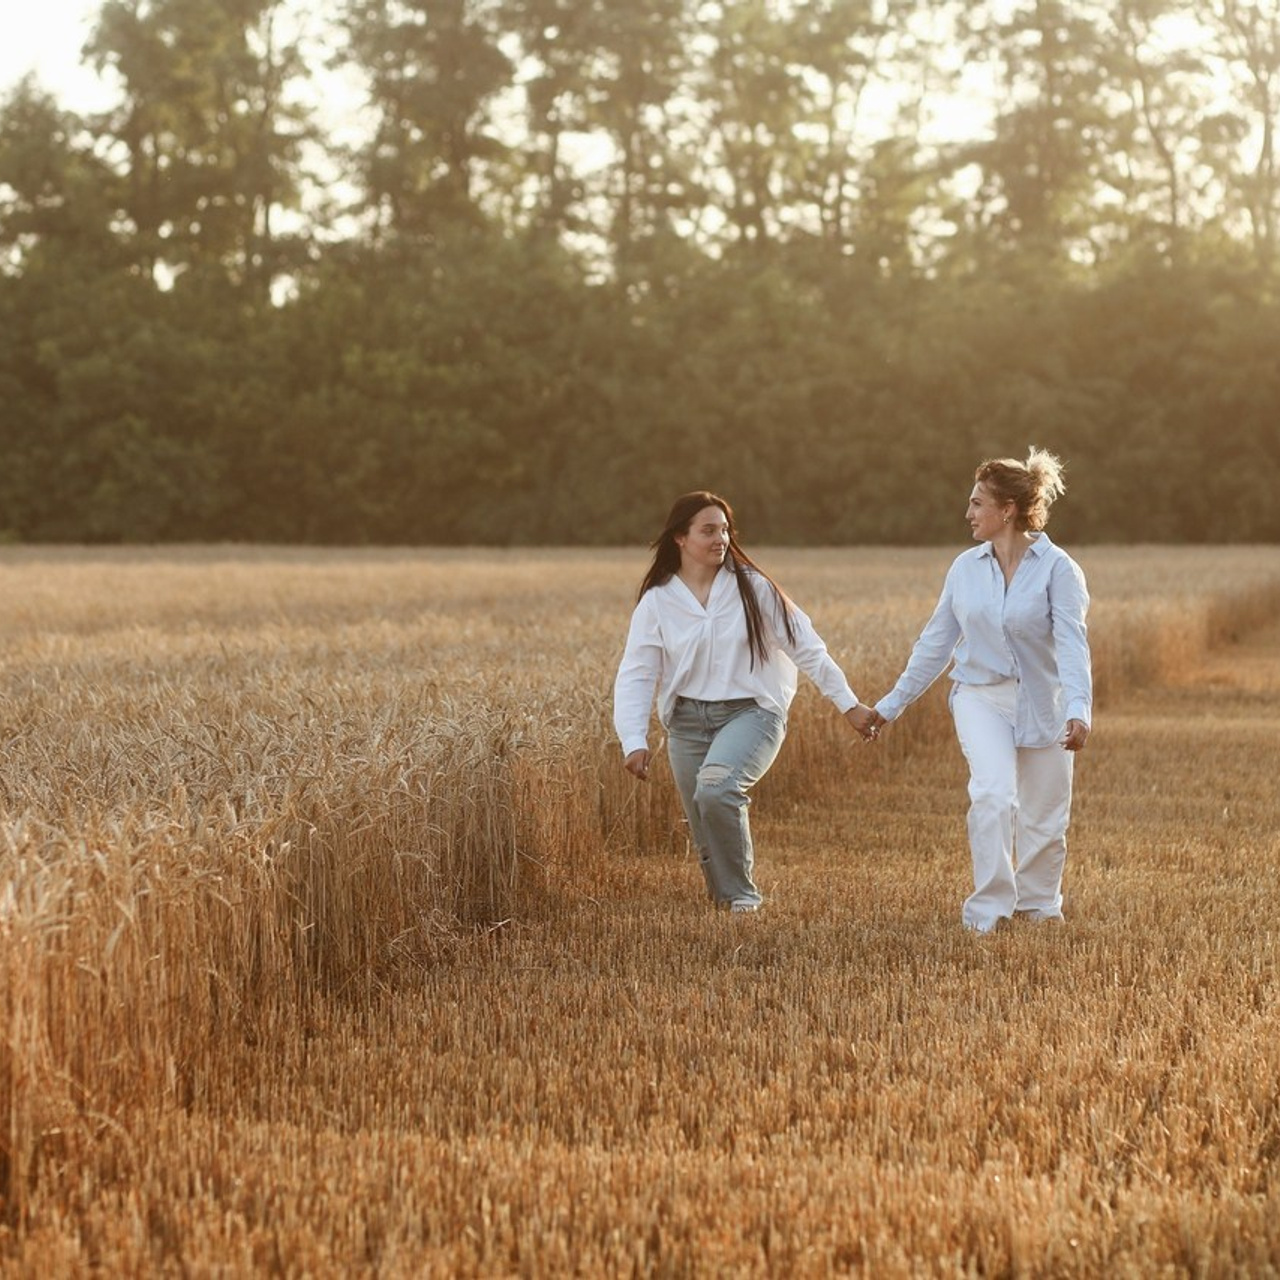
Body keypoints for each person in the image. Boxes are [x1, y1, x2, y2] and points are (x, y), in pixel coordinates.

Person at [613, 491, 878, 913]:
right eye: (708, 531)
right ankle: (724, 904)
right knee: (702, 819)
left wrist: (849, 704)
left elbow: (807, 647)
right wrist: (633, 739)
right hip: (686, 721)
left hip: (752, 713)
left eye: (724, 530)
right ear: (680, 538)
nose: (721, 539)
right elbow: (637, 672)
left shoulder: (754, 588)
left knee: (717, 790)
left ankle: (743, 899)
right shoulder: (658, 600)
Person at [866, 448, 1092, 933]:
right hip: (980, 696)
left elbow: (1073, 645)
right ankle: (987, 912)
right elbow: (935, 644)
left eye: (976, 503)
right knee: (992, 794)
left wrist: (1079, 708)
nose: (967, 513)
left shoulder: (1059, 569)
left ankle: (1038, 907)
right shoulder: (965, 569)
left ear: (1006, 510)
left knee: (1045, 816)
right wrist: (890, 705)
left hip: (1044, 701)